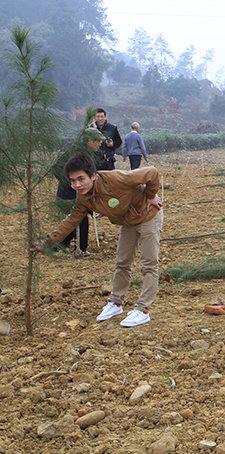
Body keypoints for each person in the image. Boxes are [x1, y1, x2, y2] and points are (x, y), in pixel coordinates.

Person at [35, 154, 164, 328]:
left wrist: (150, 195)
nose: (77, 185)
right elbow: (71, 220)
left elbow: (152, 172)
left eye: (81, 179)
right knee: (122, 262)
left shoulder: (116, 179)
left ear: (93, 176)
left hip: (148, 215)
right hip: (128, 221)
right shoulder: (83, 197)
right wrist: (47, 243)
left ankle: (143, 310)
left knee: (149, 263)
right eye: (72, 181)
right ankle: (116, 303)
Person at [53, 128, 105, 258]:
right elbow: (56, 169)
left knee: (76, 220)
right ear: (89, 140)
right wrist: (73, 184)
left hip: (76, 193)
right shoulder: (77, 154)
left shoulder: (87, 153)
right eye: (98, 141)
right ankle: (81, 249)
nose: (100, 143)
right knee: (80, 219)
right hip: (68, 195)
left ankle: (61, 245)